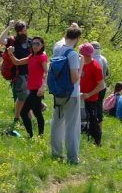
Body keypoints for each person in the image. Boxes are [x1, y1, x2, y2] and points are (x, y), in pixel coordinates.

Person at [49, 26, 83, 164]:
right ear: (78, 39)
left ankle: (56, 152)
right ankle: (72, 158)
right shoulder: (73, 54)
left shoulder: (57, 48)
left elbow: (61, 41)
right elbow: (74, 78)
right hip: (72, 94)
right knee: (72, 126)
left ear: (66, 34)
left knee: (57, 122)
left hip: (58, 91)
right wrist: (81, 66)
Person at [5, 21, 33, 136]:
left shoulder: (30, 41)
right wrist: (9, 27)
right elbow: (1, 41)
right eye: (25, 28)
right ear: (21, 30)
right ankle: (25, 118)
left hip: (30, 72)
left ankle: (19, 117)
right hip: (20, 73)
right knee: (23, 98)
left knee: (24, 97)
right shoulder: (13, 41)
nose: (26, 29)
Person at [20, 36, 49, 138]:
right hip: (32, 89)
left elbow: (47, 72)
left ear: (42, 46)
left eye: (38, 44)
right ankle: (36, 135)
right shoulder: (31, 57)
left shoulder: (42, 57)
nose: (35, 46)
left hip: (37, 90)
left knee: (24, 112)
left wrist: (43, 87)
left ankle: (33, 135)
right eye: (33, 43)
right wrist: (10, 53)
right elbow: (17, 62)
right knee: (36, 112)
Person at [79, 42, 106, 146]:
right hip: (80, 96)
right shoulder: (80, 64)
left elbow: (101, 85)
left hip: (91, 98)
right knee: (82, 117)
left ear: (85, 55)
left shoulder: (96, 67)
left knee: (93, 119)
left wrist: (89, 94)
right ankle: (85, 134)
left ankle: (98, 142)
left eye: (80, 53)